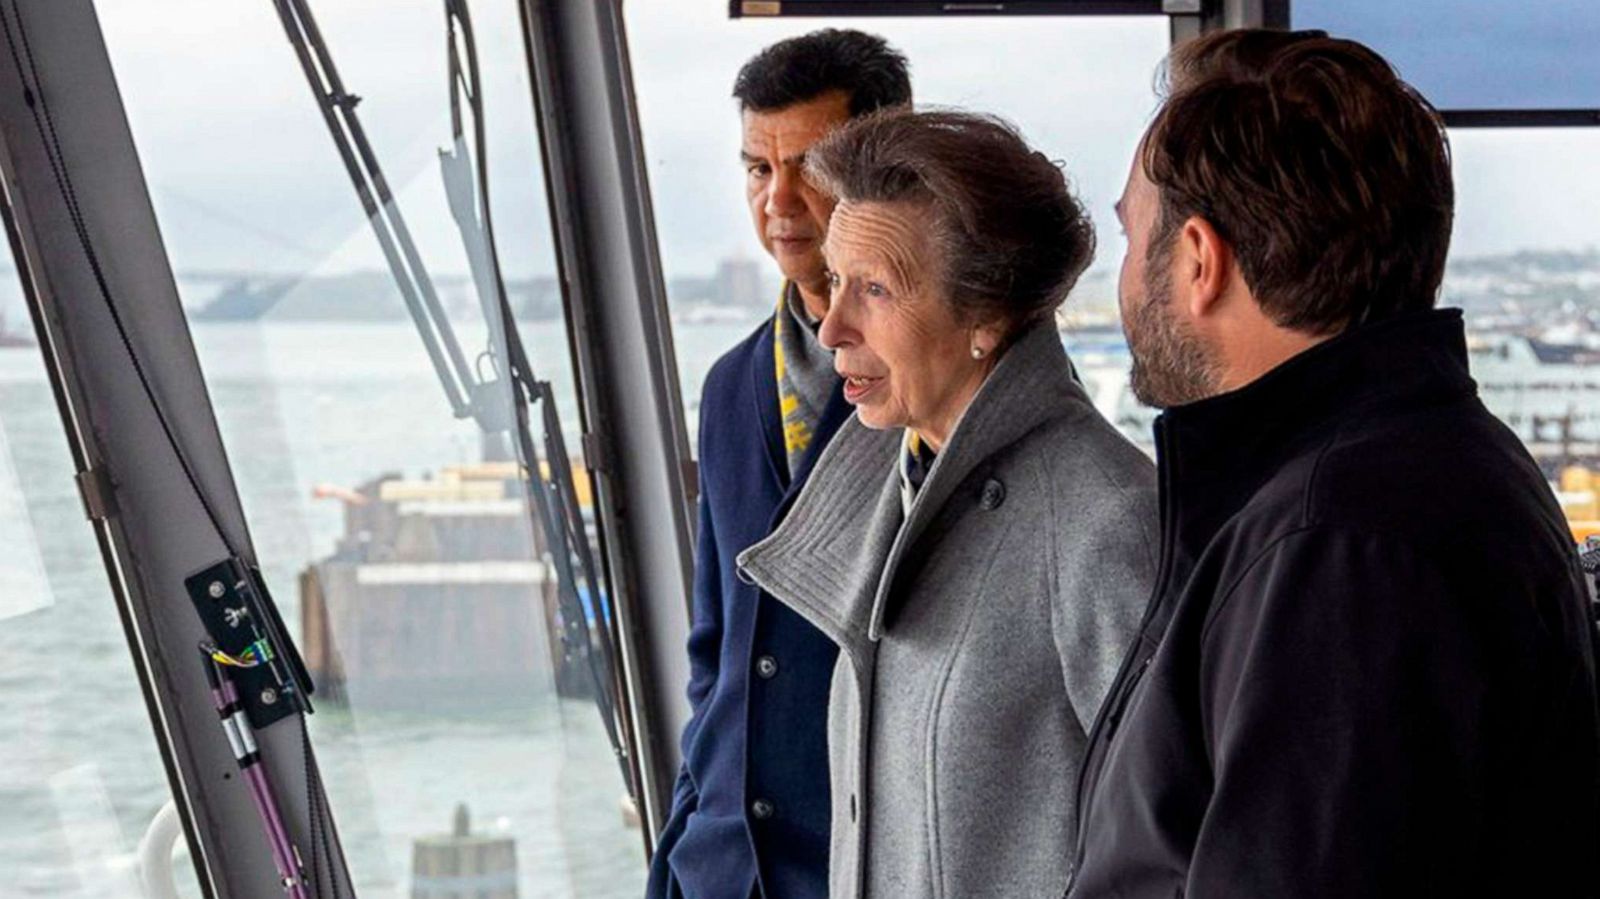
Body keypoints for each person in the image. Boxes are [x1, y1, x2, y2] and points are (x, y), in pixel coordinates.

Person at [1069, 29, 1600, 898]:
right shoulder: (1407, 473)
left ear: (1200, 261)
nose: (1125, 280)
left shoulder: (1338, 545)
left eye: (1134, 239)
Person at [737, 109, 1157, 899]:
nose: (831, 326)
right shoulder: (886, 488)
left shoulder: (1107, 521)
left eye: (876, 289)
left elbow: (1178, 854)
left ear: (986, 318)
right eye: (834, 281)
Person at [646, 29, 912, 899]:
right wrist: (683, 836)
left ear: (887, 162)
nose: (780, 199)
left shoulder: (938, 385)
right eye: (759, 169)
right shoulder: (730, 386)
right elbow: (715, 645)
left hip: (866, 864)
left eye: (810, 165)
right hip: (717, 865)